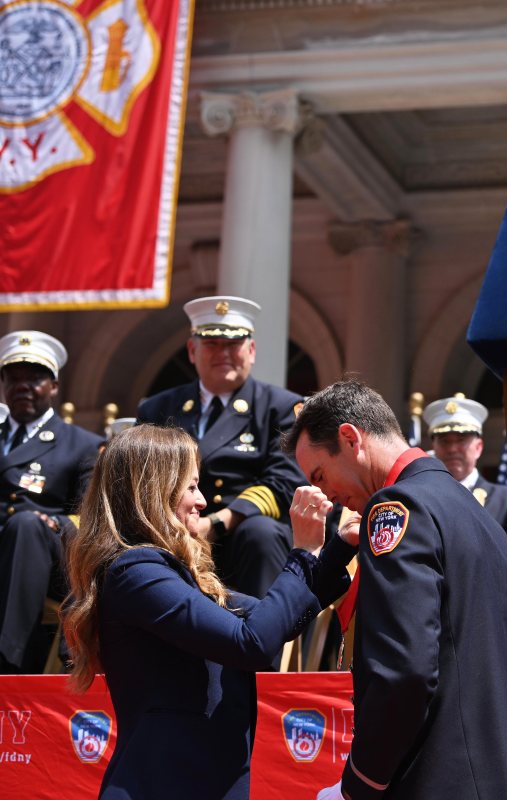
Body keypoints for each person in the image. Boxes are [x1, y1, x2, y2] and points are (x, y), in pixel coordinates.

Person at [61, 425, 349, 800]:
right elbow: (253, 643)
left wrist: (340, 547)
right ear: (153, 491)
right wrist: (302, 552)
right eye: (191, 486)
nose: (201, 502)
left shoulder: (167, 574)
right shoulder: (135, 572)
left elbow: (272, 619)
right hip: (162, 786)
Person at [282, 380, 507, 800]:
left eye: (320, 475)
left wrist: (359, 783)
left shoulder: (397, 509)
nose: (325, 495)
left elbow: (405, 673)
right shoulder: (474, 513)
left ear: (349, 438)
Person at [137, 296, 307, 598]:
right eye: (212, 344)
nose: (223, 353)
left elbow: (284, 483)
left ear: (251, 351)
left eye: (233, 344)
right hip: (173, 529)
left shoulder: (281, 408)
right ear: (192, 350)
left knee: (262, 534)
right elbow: (140, 476)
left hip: (241, 533)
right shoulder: (157, 408)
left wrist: (216, 523)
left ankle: (263, 637)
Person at [0, 331, 103, 672]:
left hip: (50, 558)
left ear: (55, 386)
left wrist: (53, 523)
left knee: (27, 523)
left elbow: (90, 518)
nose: (23, 385)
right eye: (14, 377)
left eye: (35, 377)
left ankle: (11, 664)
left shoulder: (82, 444)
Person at [422, 393, 507, 537]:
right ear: (434, 446)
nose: (452, 449)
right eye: (444, 441)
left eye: (461, 440)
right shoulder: (422, 497)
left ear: (478, 447)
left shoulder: (504, 500)